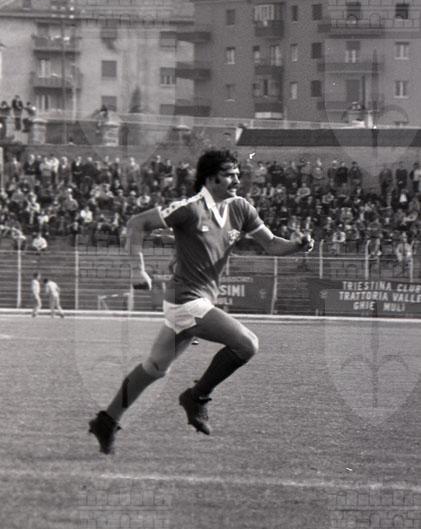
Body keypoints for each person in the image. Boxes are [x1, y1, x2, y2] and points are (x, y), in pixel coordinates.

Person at [89, 149, 314, 454]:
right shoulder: (191, 209)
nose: (237, 180)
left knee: (154, 367)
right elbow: (136, 223)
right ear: (210, 178)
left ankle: (106, 420)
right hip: (185, 300)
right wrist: (137, 269)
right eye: (229, 175)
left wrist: (297, 246)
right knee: (247, 344)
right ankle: (196, 397)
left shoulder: (241, 208)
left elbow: (272, 244)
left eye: (237, 174)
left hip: (197, 301)